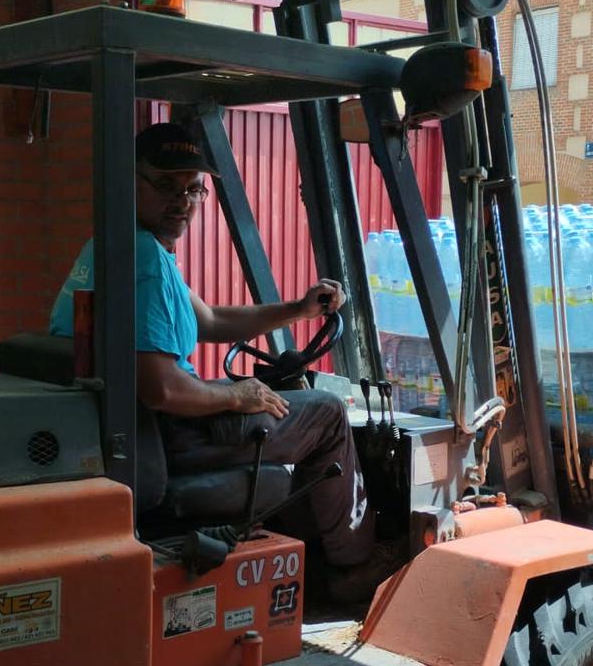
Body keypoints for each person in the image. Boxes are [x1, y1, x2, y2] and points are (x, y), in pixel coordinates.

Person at [50, 122, 401, 602]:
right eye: (166, 186)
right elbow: (163, 389)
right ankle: (351, 566)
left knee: (292, 404)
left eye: (193, 190)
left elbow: (211, 320)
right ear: (129, 181)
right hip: (177, 434)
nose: (182, 202)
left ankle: (310, 553)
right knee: (327, 413)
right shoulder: (144, 261)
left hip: (142, 431)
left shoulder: (115, 247)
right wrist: (236, 394)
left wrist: (298, 309)